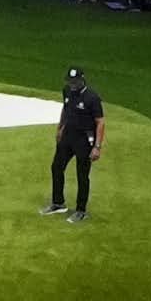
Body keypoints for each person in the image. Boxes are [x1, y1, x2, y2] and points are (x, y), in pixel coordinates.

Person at [46, 65, 105, 223]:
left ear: (82, 79)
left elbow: (100, 122)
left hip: (84, 141)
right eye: (70, 81)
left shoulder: (92, 98)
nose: (72, 84)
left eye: (75, 81)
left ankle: (81, 210)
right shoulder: (67, 91)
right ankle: (58, 203)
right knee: (57, 167)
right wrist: (60, 127)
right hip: (68, 136)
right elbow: (66, 109)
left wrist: (97, 147)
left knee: (82, 175)